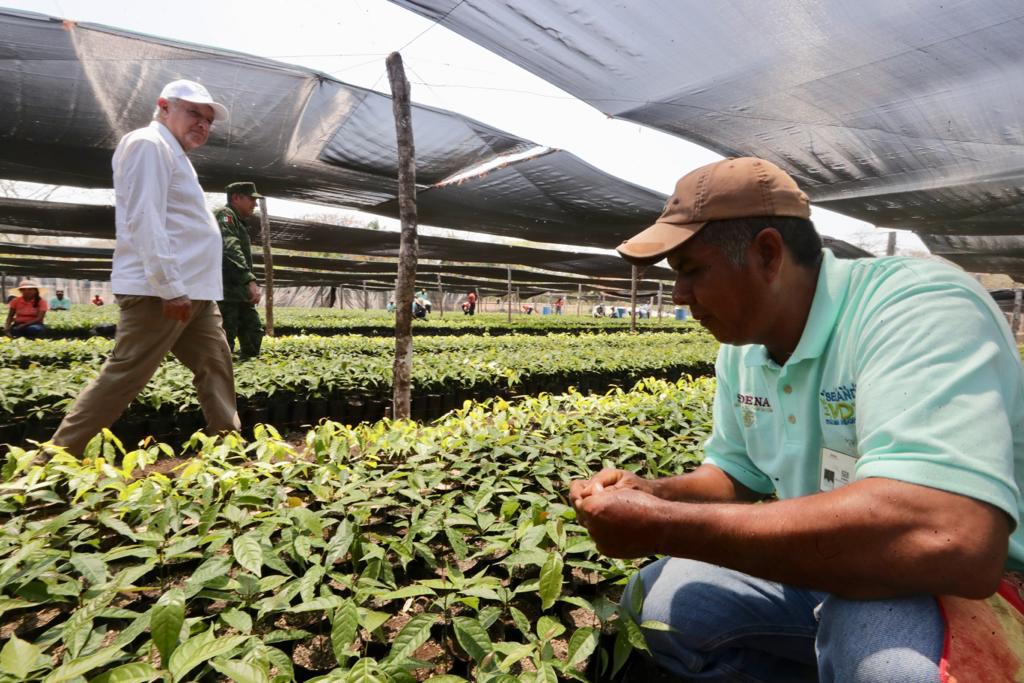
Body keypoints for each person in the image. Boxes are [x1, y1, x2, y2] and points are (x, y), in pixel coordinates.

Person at [570, 157, 1024, 681]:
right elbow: (735, 475)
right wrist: (655, 493)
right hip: (828, 563)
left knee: (887, 660)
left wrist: (664, 526)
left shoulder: (916, 305)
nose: (678, 294)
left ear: (767, 253)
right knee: (659, 602)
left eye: (692, 270)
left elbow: (951, 538)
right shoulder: (743, 348)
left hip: (971, 589)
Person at [50, 79, 240, 456]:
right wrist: (169, 286)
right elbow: (144, 217)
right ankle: (53, 459)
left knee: (216, 365)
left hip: (195, 292)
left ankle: (229, 449)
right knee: (125, 376)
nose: (202, 124)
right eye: (193, 113)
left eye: (208, 120)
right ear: (164, 107)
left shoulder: (174, 153)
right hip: (161, 292)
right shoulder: (148, 144)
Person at [215, 181, 263, 359]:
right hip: (227, 292)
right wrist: (249, 279)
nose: (255, 204)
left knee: (253, 333)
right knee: (225, 339)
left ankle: (247, 369)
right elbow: (230, 248)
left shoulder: (238, 221)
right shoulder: (225, 215)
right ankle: (222, 372)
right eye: (251, 199)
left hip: (240, 292)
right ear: (236, 197)